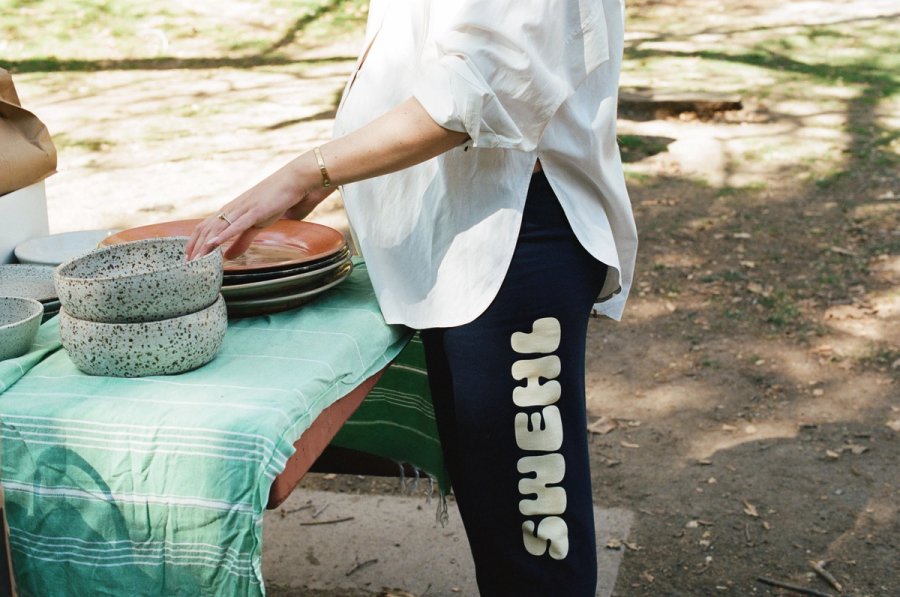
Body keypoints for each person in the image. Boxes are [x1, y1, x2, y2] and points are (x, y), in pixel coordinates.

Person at [187, 0, 637, 594]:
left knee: (533, 535)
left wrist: (307, 173)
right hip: (465, 233)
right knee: (496, 506)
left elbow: (475, 91)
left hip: (512, 241)